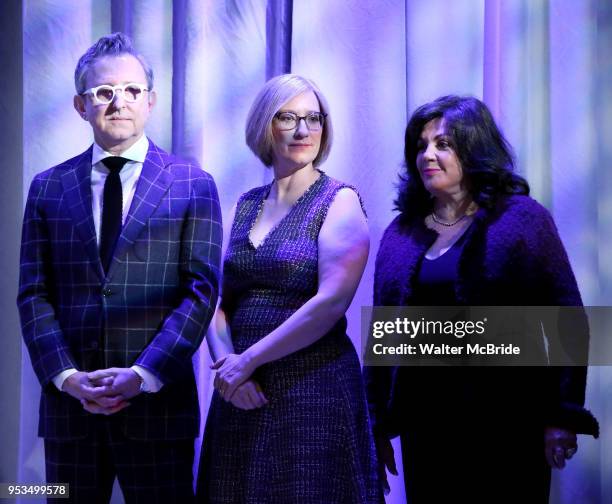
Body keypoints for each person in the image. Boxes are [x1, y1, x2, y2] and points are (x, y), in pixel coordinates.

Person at [17, 33, 222, 503]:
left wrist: (143, 374)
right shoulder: (48, 187)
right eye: (103, 92)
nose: (118, 102)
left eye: (131, 91)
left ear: (150, 101)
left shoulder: (192, 184)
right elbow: (33, 294)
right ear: (79, 105)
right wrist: (68, 378)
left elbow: (201, 293)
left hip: (157, 409)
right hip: (71, 413)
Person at [364, 95, 599, 503]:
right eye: (420, 146)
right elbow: (383, 339)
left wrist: (562, 413)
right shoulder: (401, 234)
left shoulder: (523, 219)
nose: (427, 155)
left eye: (443, 144)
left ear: (474, 147)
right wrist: (377, 426)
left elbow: (568, 318)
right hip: (429, 429)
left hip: (510, 421)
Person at [197, 74, 382, 503]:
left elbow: (330, 304)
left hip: (311, 392)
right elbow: (221, 302)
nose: (303, 130)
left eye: (313, 119)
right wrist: (228, 368)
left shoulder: (339, 200)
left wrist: (248, 361)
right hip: (242, 395)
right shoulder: (246, 203)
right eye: (288, 117)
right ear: (266, 126)